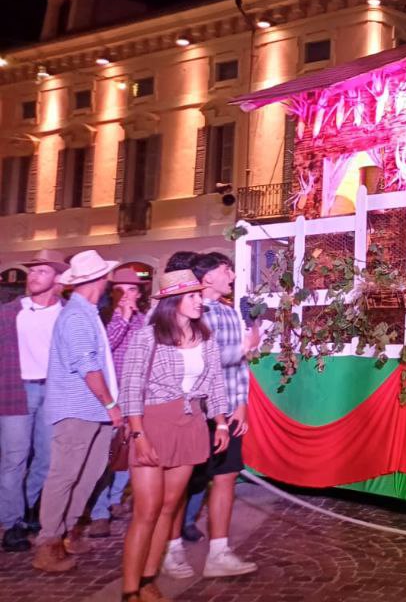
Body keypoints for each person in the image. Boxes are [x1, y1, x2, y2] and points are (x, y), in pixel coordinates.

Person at [120, 269, 230, 601]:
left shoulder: (206, 337)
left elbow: (216, 384)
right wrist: (139, 435)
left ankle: (148, 579)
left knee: (169, 507)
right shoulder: (147, 337)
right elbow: (131, 388)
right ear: (173, 301)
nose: (199, 301)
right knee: (147, 510)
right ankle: (129, 590)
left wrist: (221, 423)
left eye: (199, 295)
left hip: (191, 425)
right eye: (192, 296)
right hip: (152, 424)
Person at [163, 252, 257, 579]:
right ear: (207, 278)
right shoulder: (190, 311)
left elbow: (238, 367)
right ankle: (171, 548)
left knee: (226, 476)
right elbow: (202, 359)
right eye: (225, 269)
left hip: (227, 410)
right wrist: (245, 346)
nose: (232, 274)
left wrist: (241, 403)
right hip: (194, 412)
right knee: (183, 481)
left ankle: (219, 552)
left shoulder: (230, 313)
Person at [31, 250, 122, 573]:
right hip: (77, 409)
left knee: (89, 474)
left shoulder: (87, 313)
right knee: (65, 474)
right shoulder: (76, 317)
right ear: (100, 279)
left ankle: (68, 532)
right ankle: (48, 543)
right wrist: (111, 404)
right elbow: (87, 366)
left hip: (92, 409)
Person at [0, 250, 69, 552]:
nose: (34, 276)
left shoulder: (67, 314)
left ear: (57, 278)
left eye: (42, 271)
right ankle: (11, 523)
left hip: (53, 392)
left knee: (47, 459)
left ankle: (28, 511)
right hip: (16, 391)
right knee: (13, 459)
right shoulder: (9, 312)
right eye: (32, 271)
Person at [84, 267, 151, 538]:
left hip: (136, 396)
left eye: (131, 289)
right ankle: (99, 512)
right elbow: (104, 351)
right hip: (109, 397)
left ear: (139, 293)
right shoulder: (102, 318)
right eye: (119, 290)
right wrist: (122, 318)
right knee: (106, 457)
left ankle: (115, 500)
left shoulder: (144, 320)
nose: (126, 295)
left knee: (128, 452)